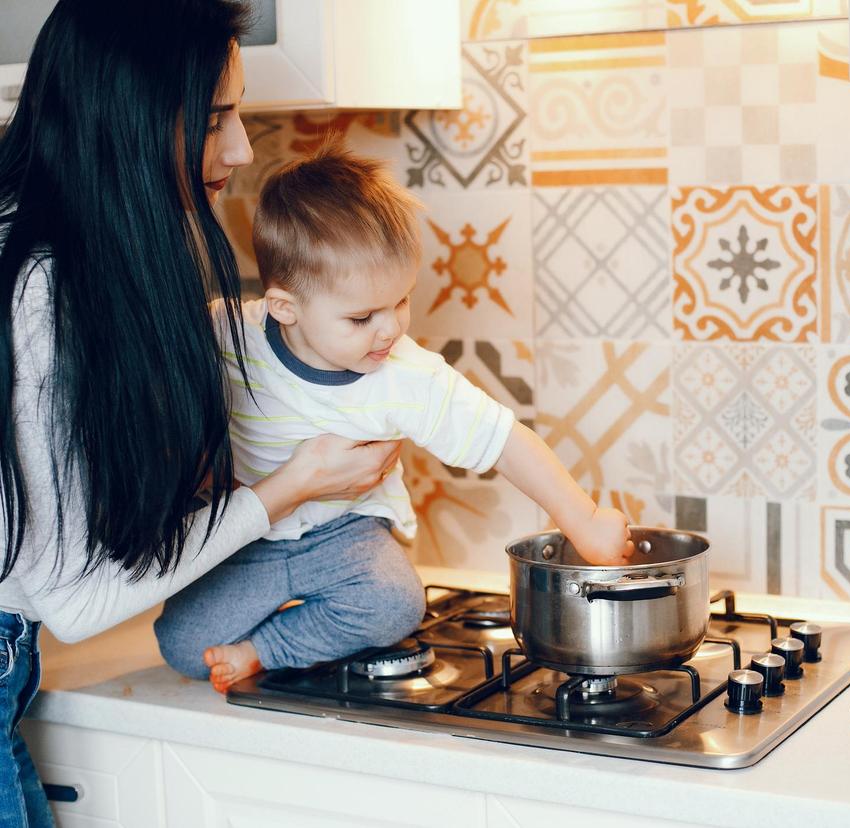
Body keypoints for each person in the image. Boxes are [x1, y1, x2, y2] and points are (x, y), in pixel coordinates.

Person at [0, 3, 400, 825]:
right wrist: (291, 487)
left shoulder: (49, 250)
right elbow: (69, 600)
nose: (244, 147)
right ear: (132, 112)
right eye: (218, 116)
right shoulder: (45, 291)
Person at [154, 143, 635, 694]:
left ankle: (266, 648)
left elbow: (505, 440)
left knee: (394, 604)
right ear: (285, 308)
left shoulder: (408, 375)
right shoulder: (227, 333)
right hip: (246, 534)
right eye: (361, 317)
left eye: (401, 301)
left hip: (346, 534)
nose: (390, 331)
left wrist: (585, 520)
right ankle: (272, 630)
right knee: (183, 646)